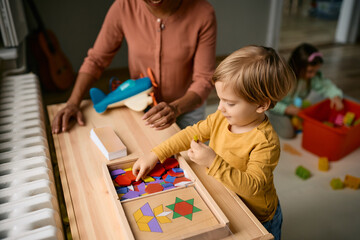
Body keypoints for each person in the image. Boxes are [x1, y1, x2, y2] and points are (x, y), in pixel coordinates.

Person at [132, 45, 296, 239]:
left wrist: (212, 161)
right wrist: (156, 154)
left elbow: (252, 186)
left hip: (258, 217)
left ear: (261, 105)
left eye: (230, 103)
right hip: (227, 196)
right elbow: (191, 133)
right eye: (220, 99)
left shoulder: (266, 143)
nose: (220, 107)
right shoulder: (221, 117)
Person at [52, 0, 217, 134]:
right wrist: (73, 102)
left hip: (187, 107)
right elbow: (96, 60)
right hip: (140, 106)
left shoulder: (203, 13)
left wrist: (176, 108)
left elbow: (203, 80)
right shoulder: (123, 6)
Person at [268, 43, 344, 139]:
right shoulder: (280, 78)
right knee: (289, 134)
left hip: (295, 106)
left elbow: (325, 86)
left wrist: (335, 96)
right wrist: (286, 110)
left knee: (314, 119)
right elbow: (268, 102)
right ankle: (270, 119)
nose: (313, 75)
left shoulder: (311, 77)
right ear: (298, 66)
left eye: (315, 71)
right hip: (277, 108)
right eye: (310, 71)